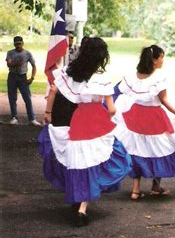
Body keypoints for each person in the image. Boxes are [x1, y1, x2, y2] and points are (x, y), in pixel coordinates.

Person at [37, 37, 132, 227]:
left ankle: (77, 198)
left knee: (79, 159)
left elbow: (54, 91)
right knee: (110, 157)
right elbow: (111, 109)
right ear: (101, 56)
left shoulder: (69, 74)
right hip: (97, 120)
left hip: (78, 119)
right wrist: (116, 114)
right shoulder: (102, 79)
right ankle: (82, 208)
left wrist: (48, 113)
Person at [113, 45, 175, 200]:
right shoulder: (159, 77)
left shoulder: (134, 76)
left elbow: (124, 94)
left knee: (137, 149)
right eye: (161, 57)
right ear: (154, 60)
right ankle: (155, 186)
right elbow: (163, 100)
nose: (163, 60)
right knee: (160, 148)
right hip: (154, 117)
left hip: (136, 116)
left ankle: (135, 189)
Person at [5, 36, 42, 126]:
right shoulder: (10, 52)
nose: (18, 46)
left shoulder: (27, 53)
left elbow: (34, 66)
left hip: (23, 77)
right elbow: (9, 64)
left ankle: (32, 118)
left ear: (23, 43)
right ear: (14, 44)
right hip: (12, 76)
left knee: (27, 98)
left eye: (20, 44)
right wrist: (16, 63)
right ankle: (14, 117)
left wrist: (32, 78)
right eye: (16, 44)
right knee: (12, 98)